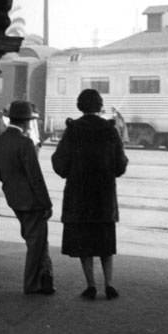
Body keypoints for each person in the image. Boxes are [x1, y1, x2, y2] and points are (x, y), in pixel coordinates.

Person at [52, 89, 128, 301]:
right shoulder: (109, 130)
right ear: (100, 105)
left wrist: (70, 171)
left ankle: (91, 285)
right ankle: (109, 284)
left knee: (84, 242)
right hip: (103, 196)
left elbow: (59, 163)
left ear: (80, 106)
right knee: (105, 241)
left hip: (79, 196)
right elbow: (121, 165)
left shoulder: (73, 130)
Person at [0, 100, 55, 295]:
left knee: (36, 240)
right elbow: (35, 177)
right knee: (36, 244)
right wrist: (46, 203)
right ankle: (32, 284)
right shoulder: (25, 143)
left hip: (14, 198)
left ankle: (45, 281)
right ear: (27, 122)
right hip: (31, 201)